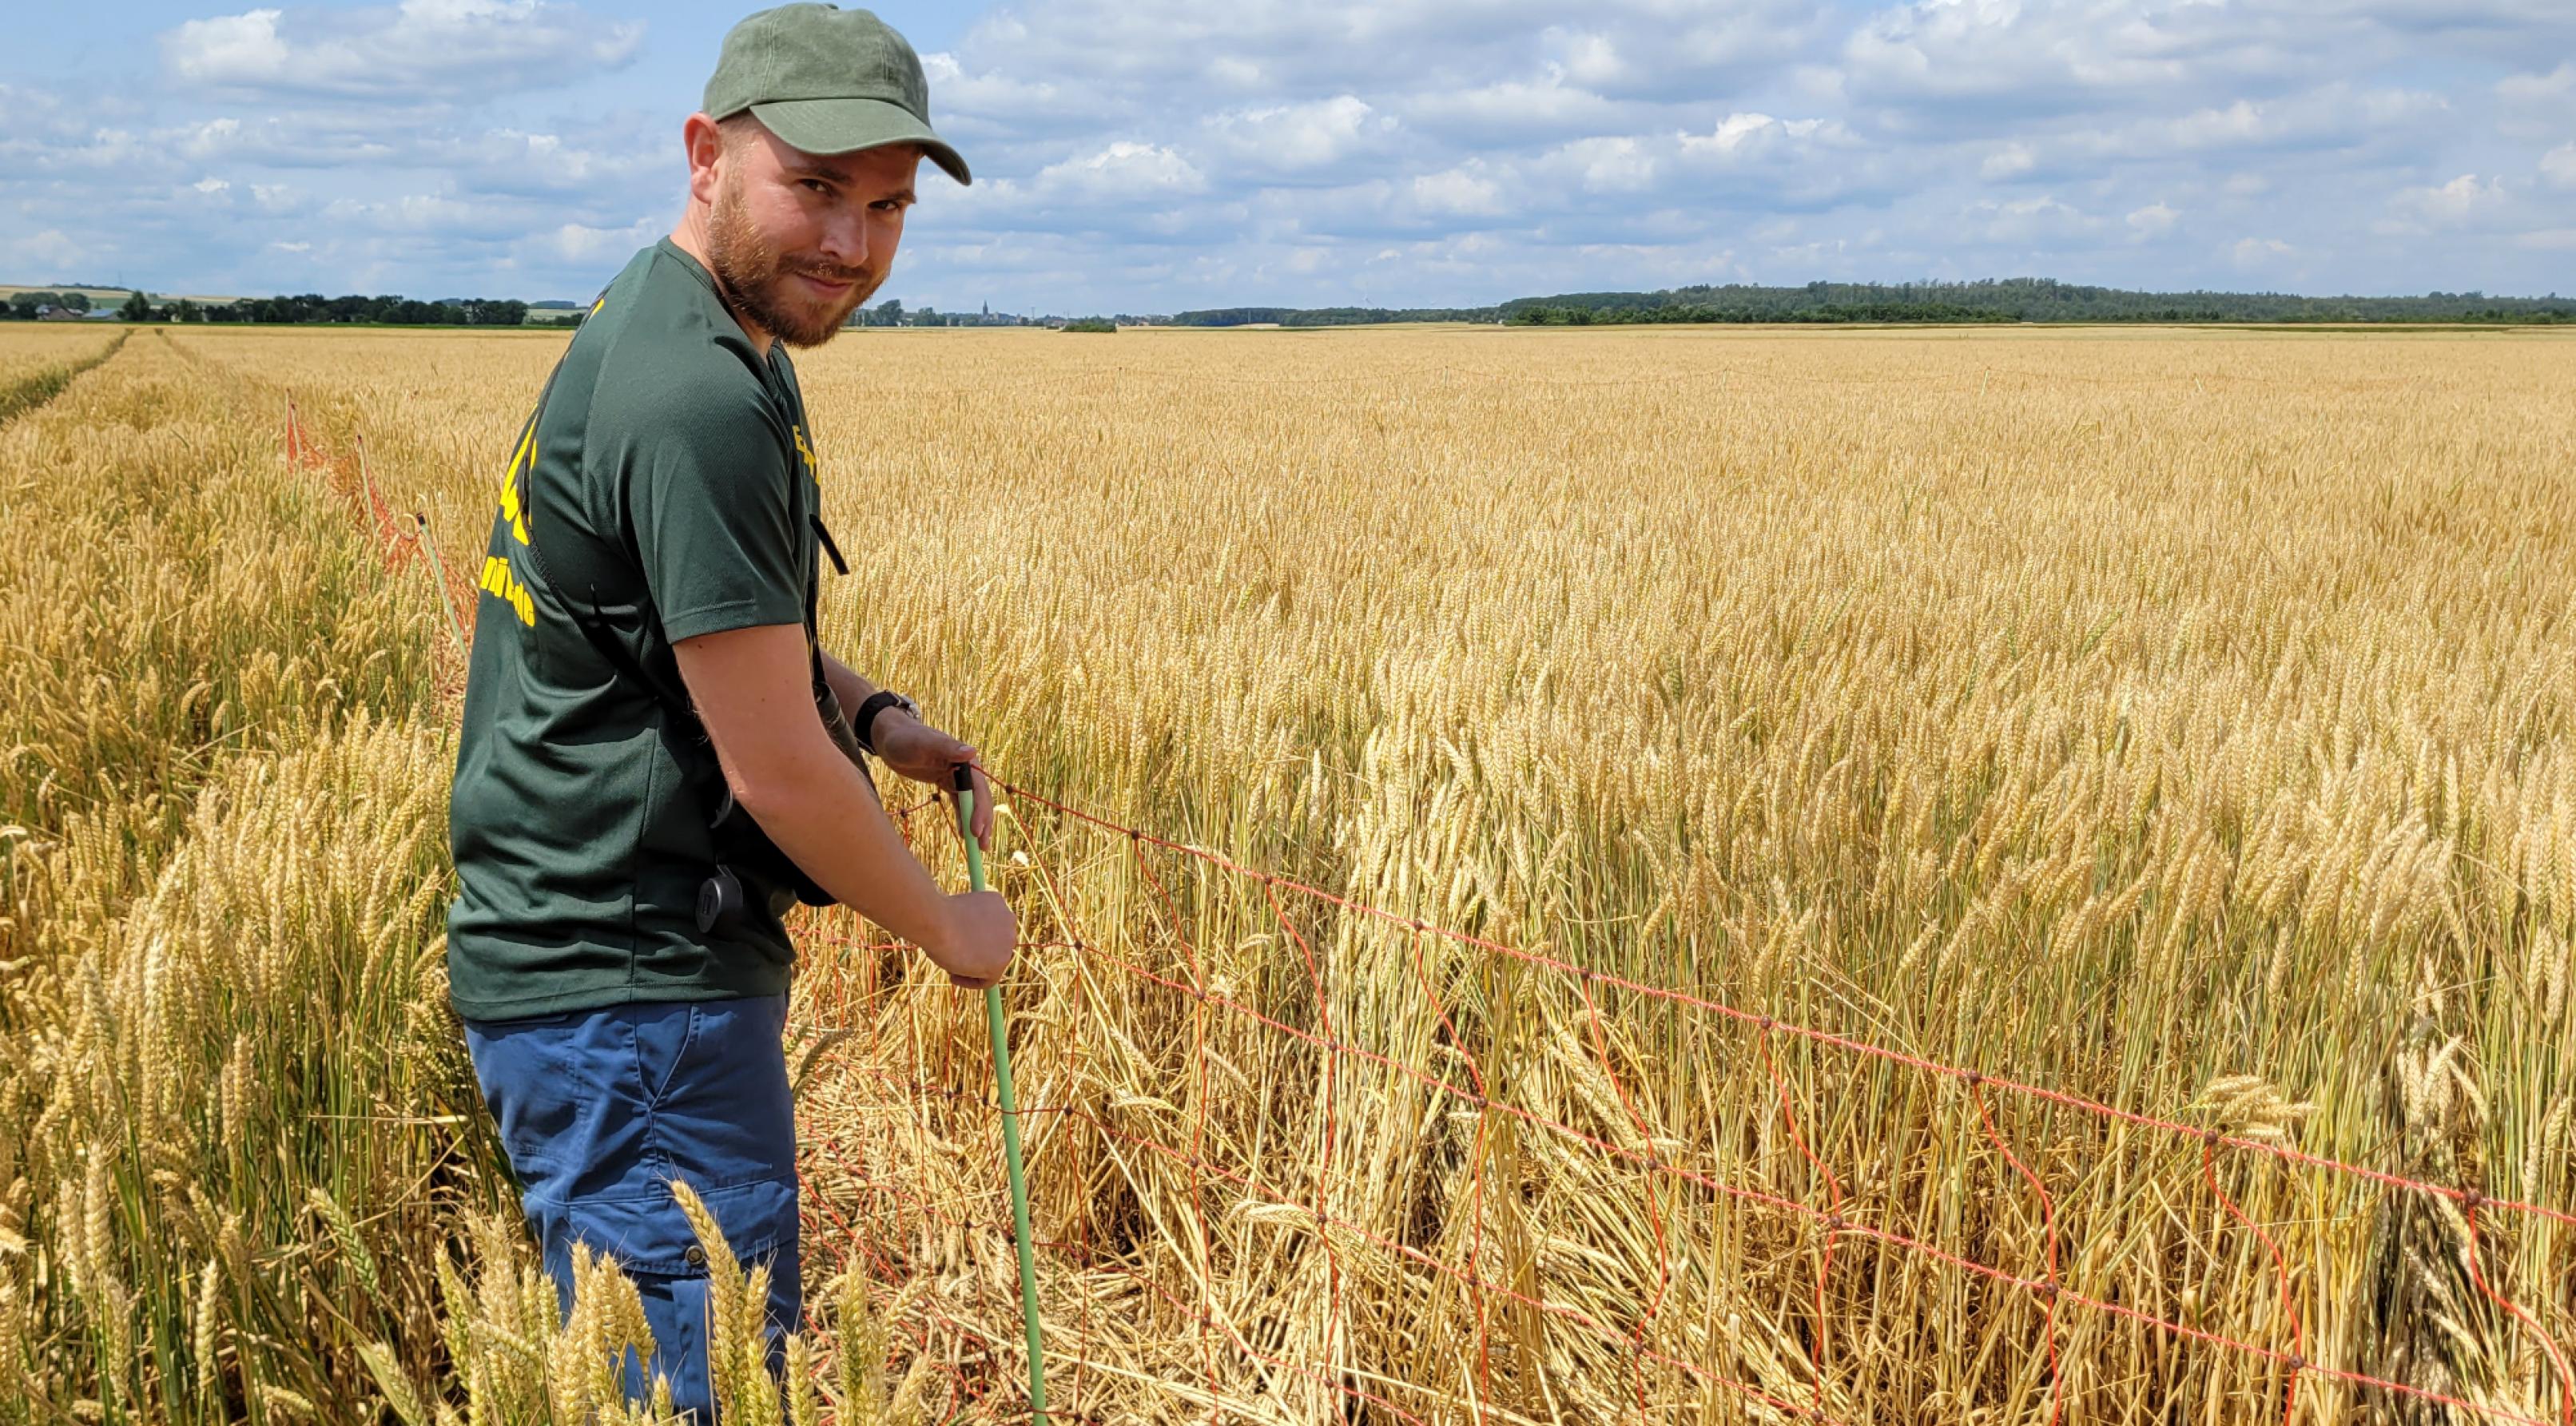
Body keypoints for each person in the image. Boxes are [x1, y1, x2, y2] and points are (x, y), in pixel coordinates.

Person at [440, 5, 1016, 1414]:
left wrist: (872, 714)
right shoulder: (696, 395)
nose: (854, 244)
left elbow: (708, 620)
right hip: (633, 990)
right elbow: (774, 772)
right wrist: (950, 927)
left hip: (595, 968)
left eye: (890, 205)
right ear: (706, 153)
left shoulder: (677, 318)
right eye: (816, 187)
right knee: (699, 1391)